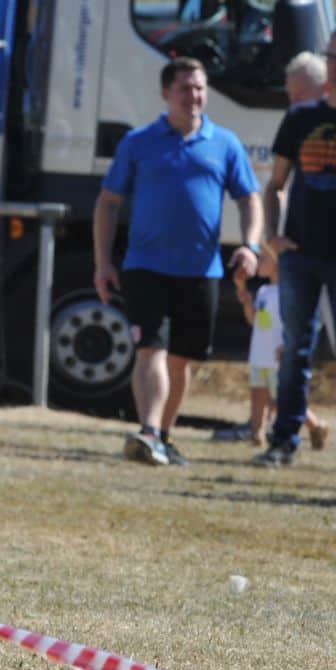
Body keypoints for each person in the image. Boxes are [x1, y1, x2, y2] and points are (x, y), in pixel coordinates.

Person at [94, 57, 262, 469]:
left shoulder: (225, 144)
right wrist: (103, 263)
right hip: (145, 266)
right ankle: (149, 430)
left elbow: (249, 199)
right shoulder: (139, 142)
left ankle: (162, 438)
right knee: (150, 349)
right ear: (166, 93)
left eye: (200, 88)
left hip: (201, 270)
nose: (195, 96)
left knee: (181, 358)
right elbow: (108, 203)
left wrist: (251, 246)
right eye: (186, 88)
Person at [254, 43, 336, 468]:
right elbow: (275, 184)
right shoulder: (302, 118)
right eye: (333, 56)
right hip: (300, 255)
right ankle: (283, 441)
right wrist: (273, 236)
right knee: (294, 350)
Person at [216, 241, 327, 448]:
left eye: (263, 259)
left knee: (283, 399)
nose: (258, 263)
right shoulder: (264, 292)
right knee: (258, 393)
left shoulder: (291, 294)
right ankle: (256, 432)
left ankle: (315, 425)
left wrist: (287, 345)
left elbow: (296, 325)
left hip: (278, 357)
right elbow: (255, 320)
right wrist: (246, 300)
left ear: (278, 264)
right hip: (260, 354)